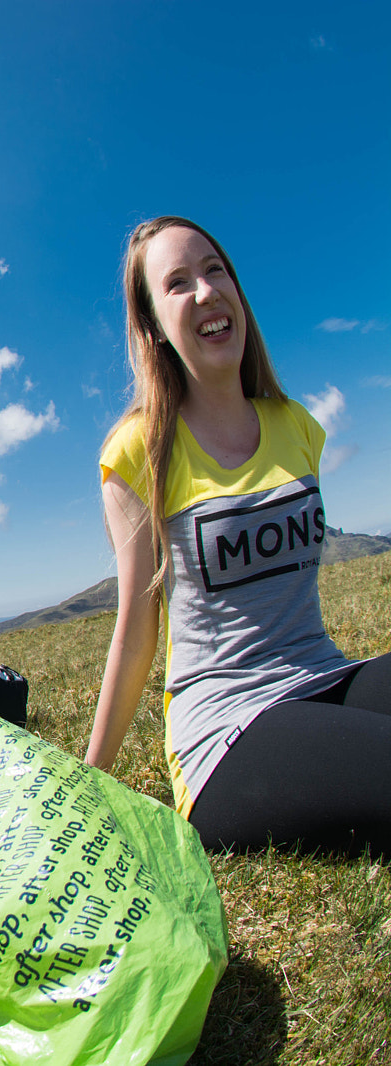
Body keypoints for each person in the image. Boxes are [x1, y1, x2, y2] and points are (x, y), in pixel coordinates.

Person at [85, 216, 391, 856]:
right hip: (229, 729)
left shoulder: (296, 425)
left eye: (214, 269)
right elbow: (137, 631)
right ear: (153, 329)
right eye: (177, 283)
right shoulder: (141, 450)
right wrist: (90, 783)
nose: (205, 291)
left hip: (324, 675)